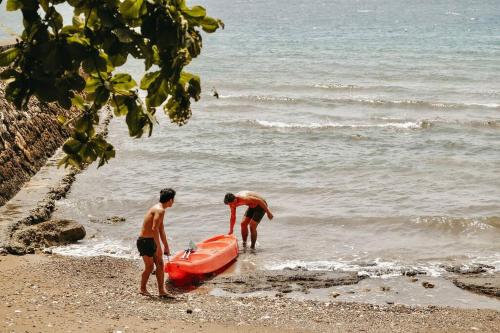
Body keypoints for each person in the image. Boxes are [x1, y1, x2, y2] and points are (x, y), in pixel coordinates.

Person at [137, 188, 175, 297]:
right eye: (173, 199)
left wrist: (166, 246)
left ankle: (161, 291)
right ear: (171, 200)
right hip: (146, 241)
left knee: (159, 265)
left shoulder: (159, 209)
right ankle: (143, 289)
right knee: (150, 267)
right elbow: (154, 228)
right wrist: (158, 246)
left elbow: (161, 229)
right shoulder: (160, 210)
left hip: (147, 240)